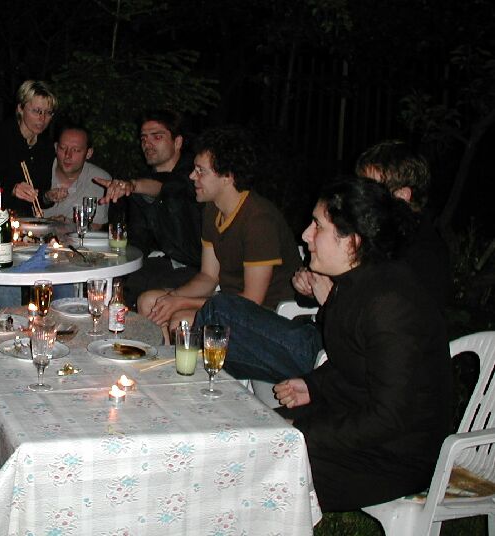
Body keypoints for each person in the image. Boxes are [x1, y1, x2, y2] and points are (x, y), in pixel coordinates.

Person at [194, 140, 451, 383]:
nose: (357, 194)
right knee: (218, 343)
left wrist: (331, 299)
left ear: (402, 196)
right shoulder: (372, 236)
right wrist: (309, 287)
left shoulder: (417, 255)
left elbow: (376, 336)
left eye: (369, 187)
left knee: (220, 313)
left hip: (338, 355)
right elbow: (339, 293)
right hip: (321, 335)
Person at [273, 176, 452, 511]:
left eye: (317, 226)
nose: (306, 235)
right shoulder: (357, 284)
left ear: (352, 242)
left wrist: (301, 430)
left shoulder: (390, 303)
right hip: (359, 424)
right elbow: (356, 364)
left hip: (394, 457)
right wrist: (312, 385)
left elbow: (389, 416)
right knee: (252, 432)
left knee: (264, 463)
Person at [138, 126, 300, 335]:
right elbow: (208, 276)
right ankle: (162, 357)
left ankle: (177, 356)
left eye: (200, 171)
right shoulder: (213, 209)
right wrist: (171, 298)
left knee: (182, 321)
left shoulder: (259, 220)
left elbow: (252, 300)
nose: (192, 176)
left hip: (268, 314)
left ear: (227, 176)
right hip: (227, 300)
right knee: (150, 302)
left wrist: (181, 302)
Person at [96, 109, 202, 309]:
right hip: (154, 266)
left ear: (177, 142)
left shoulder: (195, 178)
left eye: (157, 137)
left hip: (193, 269)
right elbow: (135, 239)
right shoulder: (140, 184)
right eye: (144, 138)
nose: (147, 143)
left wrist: (134, 186)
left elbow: (168, 188)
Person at [0, 80, 57, 216]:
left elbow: (39, 196)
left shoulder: (46, 146)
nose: (42, 118)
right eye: (36, 111)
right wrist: (13, 189)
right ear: (20, 108)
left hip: (27, 220)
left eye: (48, 113)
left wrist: (47, 197)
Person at [43, 125, 110, 227]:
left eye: (76, 150)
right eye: (63, 148)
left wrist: (67, 224)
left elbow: (96, 225)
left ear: (88, 153)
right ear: (56, 148)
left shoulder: (99, 179)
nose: (68, 155)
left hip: (78, 237)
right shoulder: (38, 170)